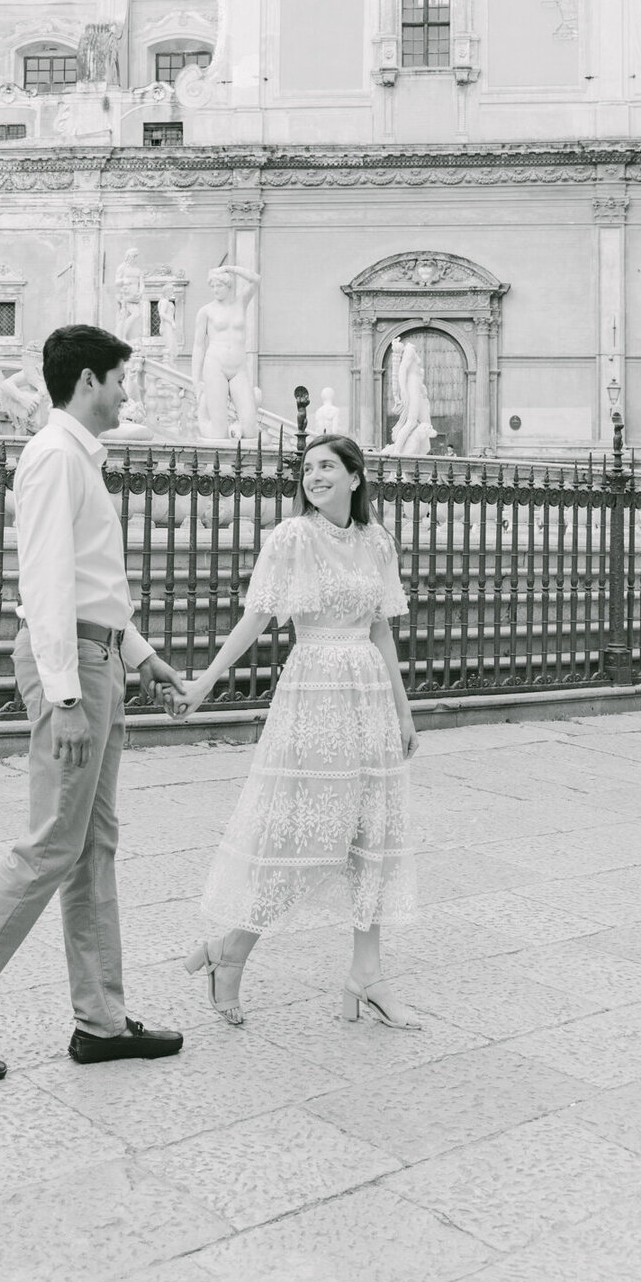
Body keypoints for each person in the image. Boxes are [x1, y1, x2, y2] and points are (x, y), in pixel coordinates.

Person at [0, 324, 187, 1079]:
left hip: (98, 658)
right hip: (73, 670)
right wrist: (64, 694)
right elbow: (47, 582)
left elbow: (93, 587)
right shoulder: (55, 457)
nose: (129, 393)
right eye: (123, 379)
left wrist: (141, 656)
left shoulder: (78, 459)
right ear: (89, 381)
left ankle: (101, 1020)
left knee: (92, 845)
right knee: (52, 843)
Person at [172, 433, 420, 1031]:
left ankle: (367, 973)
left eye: (328, 466)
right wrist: (205, 681)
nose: (314, 476)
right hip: (315, 692)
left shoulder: (377, 542)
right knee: (303, 840)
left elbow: (382, 630)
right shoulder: (291, 538)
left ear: (356, 478)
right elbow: (256, 615)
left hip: (367, 694)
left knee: (371, 835)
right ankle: (230, 952)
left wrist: (404, 709)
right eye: (307, 468)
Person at [192, 263, 260, 440]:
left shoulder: (241, 303)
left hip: (239, 367)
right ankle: (203, 416)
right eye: (212, 286)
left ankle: (234, 429)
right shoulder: (206, 311)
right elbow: (198, 346)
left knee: (251, 430)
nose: (215, 289)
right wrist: (195, 379)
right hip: (215, 365)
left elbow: (255, 280)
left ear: (229, 286)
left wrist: (231, 269)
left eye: (219, 285)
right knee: (218, 434)